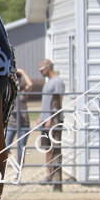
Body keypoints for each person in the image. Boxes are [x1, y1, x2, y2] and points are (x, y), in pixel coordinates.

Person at [39, 58, 65, 190]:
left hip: (52, 120)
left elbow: (57, 102)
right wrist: (41, 116)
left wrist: (50, 119)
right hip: (45, 119)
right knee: (47, 148)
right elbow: (46, 101)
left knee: (53, 148)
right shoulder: (49, 82)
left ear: (47, 68)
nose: (40, 72)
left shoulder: (57, 82)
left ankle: (53, 176)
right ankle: (49, 174)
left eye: (41, 69)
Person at [5, 67, 32, 170]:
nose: (18, 78)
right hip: (11, 124)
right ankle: (2, 172)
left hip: (24, 125)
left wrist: (23, 72)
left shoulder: (23, 91)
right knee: (5, 149)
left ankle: (18, 173)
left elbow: (30, 84)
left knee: (21, 149)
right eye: (16, 76)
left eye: (19, 76)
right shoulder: (9, 91)